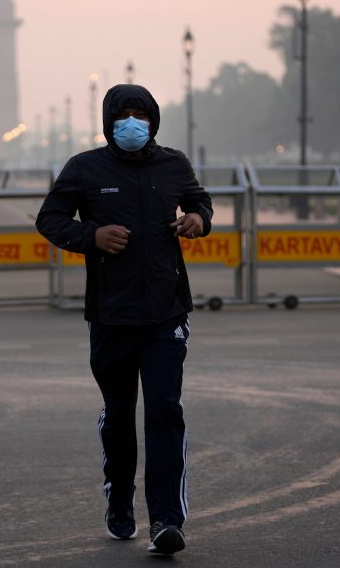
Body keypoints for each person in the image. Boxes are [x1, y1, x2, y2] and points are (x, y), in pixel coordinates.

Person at [35, 83, 212, 555]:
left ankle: (165, 522)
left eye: (141, 114)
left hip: (166, 312)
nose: (133, 122)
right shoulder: (84, 168)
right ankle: (119, 500)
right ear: (109, 120)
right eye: (124, 114)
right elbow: (50, 220)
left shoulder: (173, 164)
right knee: (119, 416)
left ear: (154, 120)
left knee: (164, 412)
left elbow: (200, 202)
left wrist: (198, 218)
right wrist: (92, 235)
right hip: (111, 315)